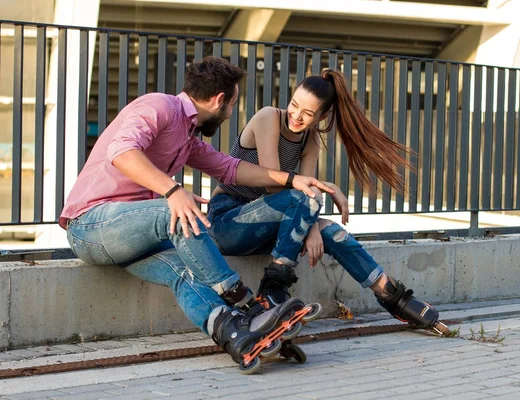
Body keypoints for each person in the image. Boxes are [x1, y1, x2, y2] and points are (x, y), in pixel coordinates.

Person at [59, 56, 334, 371]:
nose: (231, 113)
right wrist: (173, 192)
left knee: (185, 273)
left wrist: (291, 179)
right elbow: (121, 151)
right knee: (176, 212)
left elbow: (231, 169)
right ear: (219, 100)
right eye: (232, 105)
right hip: (91, 225)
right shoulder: (158, 106)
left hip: (134, 236)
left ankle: (236, 335)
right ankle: (247, 304)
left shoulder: (186, 139)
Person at [207, 69, 448, 334]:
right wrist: (325, 193)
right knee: (309, 201)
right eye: (294, 105)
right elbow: (273, 183)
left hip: (271, 224)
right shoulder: (269, 117)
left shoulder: (310, 140)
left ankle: (391, 294)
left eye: (308, 113)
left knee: (331, 231)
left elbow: (304, 196)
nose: (296, 116)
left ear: (321, 116)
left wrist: (313, 227)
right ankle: (274, 287)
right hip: (229, 221)